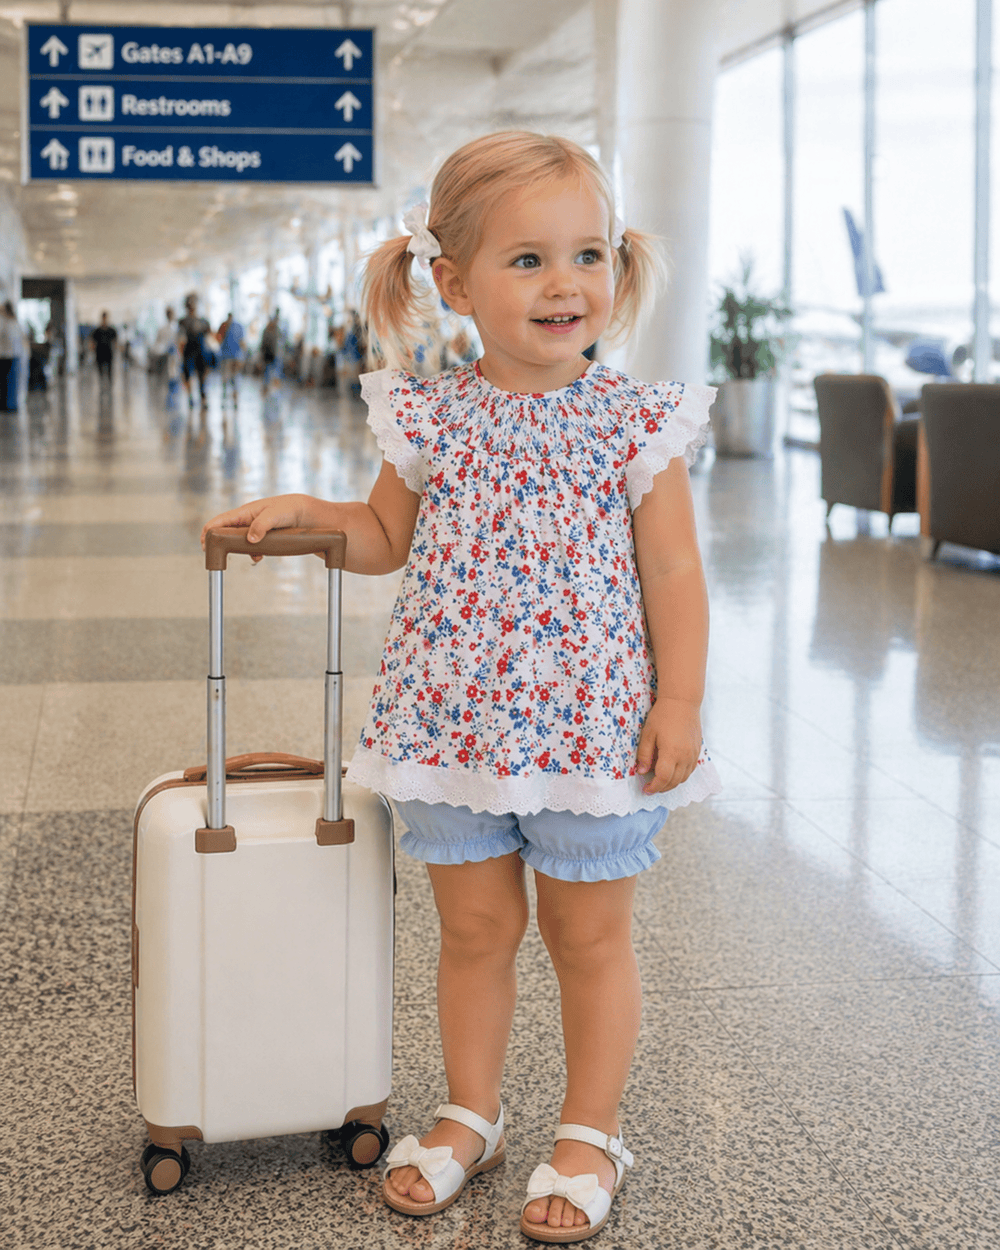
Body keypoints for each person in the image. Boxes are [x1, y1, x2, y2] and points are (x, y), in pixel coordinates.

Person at [201, 131, 721, 1244]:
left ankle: (590, 1127)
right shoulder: (430, 415)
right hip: (450, 725)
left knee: (589, 936)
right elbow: (384, 534)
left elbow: (673, 569)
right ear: (451, 281)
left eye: (587, 254)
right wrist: (308, 515)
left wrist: (677, 699)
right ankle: (468, 1110)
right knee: (474, 929)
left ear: (617, 271)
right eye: (526, 260)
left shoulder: (638, 420)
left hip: (589, 733)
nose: (565, 283)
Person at [177, 293, 210, 407]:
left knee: (202, 378)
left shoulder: (203, 321)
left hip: (200, 352)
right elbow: (180, 339)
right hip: (188, 352)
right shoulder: (183, 321)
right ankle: (191, 397)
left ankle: (203, 399)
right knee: (188, 376)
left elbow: (209, 338)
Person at [216, 311, 246, 400]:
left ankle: (231, 394)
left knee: (230, 376)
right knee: (231, 377)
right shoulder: (228, 326)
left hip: (230, 356)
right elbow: (242, 342)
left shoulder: (226, 325)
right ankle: (231, 394)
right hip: (231, 356)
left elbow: (218, 338)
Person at [0, 300, 23, 411]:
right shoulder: (11, 323)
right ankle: (7, 404)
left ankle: (10, 404)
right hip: (8, 356)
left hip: (9, 356)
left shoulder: (10, 323)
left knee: (9, 382)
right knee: (7, 382)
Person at [91, 311, 117, 384]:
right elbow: (93, 341)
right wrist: (93, 349)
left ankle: (109, 383)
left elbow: (115, 341)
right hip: (99, 352)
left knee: (109, 370)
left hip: (108, 352)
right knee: (100, 370)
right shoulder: (97, 331)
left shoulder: (111, 330)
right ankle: (102, 383)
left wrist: (116, 348)